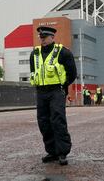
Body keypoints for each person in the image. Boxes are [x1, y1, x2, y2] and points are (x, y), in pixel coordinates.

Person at [29, 26, 77, 166]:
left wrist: (64, 86)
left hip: (56, 91)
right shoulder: (34, 54)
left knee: (57, 120)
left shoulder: (63, 52)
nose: (42, 40)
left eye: (45, 37)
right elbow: (34, 72)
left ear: (52, 37)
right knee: (43, 121)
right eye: (41, 37)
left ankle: (62, 152)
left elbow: (72, 73)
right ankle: (52, 151)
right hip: (41, 92)